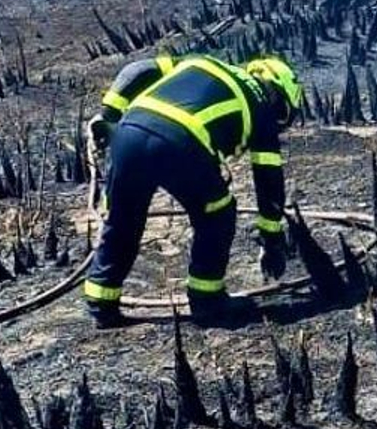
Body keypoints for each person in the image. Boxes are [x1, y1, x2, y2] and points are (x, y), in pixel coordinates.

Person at [83, 53, 301, 329]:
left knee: (123, 219)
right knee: (218, 213)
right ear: (275, 90)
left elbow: (137, 69)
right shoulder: (260, 104)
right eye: (283, 112)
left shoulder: (201, 62)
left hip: (128, 132)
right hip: (181, 143)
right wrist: (272, 240)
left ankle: (101, 302)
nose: (278, 121)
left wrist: (108, 115)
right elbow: (268, 180)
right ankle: (207, 300)